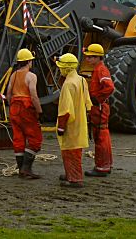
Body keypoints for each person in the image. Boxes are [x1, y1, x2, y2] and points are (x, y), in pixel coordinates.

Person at [56, 53, 92, 188]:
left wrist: (61, 127)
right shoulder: (81, 80)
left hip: (71, 124)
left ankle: (75, 179)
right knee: (75, 150)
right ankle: (70, 173)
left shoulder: (68, 84)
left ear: (66, 68)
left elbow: (65, 110)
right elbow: (88, 102)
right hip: (81, 122)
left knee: (70, 151)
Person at [7, 48, 43, 179]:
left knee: (18, 138)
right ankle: (26, 169)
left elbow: (8, 94)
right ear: (29, 62)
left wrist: (12, 107)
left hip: (14, 108)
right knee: (35, 139)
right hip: (26, 108)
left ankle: (21, 168)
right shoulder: (31, 76)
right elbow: (34, 96)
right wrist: (39, 111)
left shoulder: (14, 75)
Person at [83, 44, 115, 177]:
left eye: (90, 57)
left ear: (97, 57)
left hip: (100, 107)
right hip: (99, 106)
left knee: (100, 136)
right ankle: (105, 165)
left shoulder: (101, 70)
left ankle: (101, 167)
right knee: (101, 135)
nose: (87, 60)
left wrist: (97, 99)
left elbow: (110, 87)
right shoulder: (98, 69)